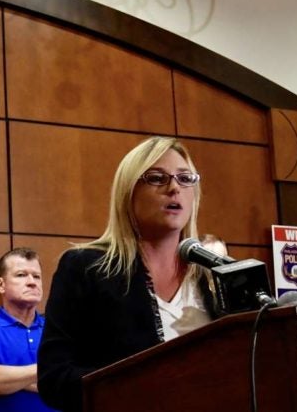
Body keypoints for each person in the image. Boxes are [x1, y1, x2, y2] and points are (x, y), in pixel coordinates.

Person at [37, 136, 217, 411]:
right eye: (157, 178)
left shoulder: (213, 276)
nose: (174, 188)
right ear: (128, 191)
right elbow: (55, 379)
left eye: (185, 178)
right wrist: (147, 385)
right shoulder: (86, 267)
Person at [0, 247, 56, 412]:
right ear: (1, 284)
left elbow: (72, 383)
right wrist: (50, 369)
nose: (32, 282)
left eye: (37, 276)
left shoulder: (56, 329)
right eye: (21, 275)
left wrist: (11, 381)